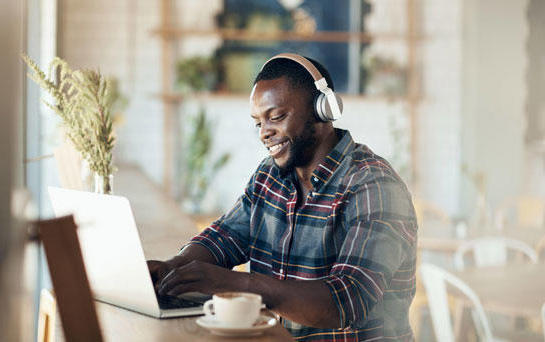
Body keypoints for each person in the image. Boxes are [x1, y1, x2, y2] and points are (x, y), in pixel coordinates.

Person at [148, 53, 417, 341]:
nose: (264, 133)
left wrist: (233, 283)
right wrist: (173, 268)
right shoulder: (270, 175)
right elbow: (224, 237)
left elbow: (344, 302)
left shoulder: (373, 186)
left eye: (276, 117)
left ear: (322, 110)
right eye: (258, 123)